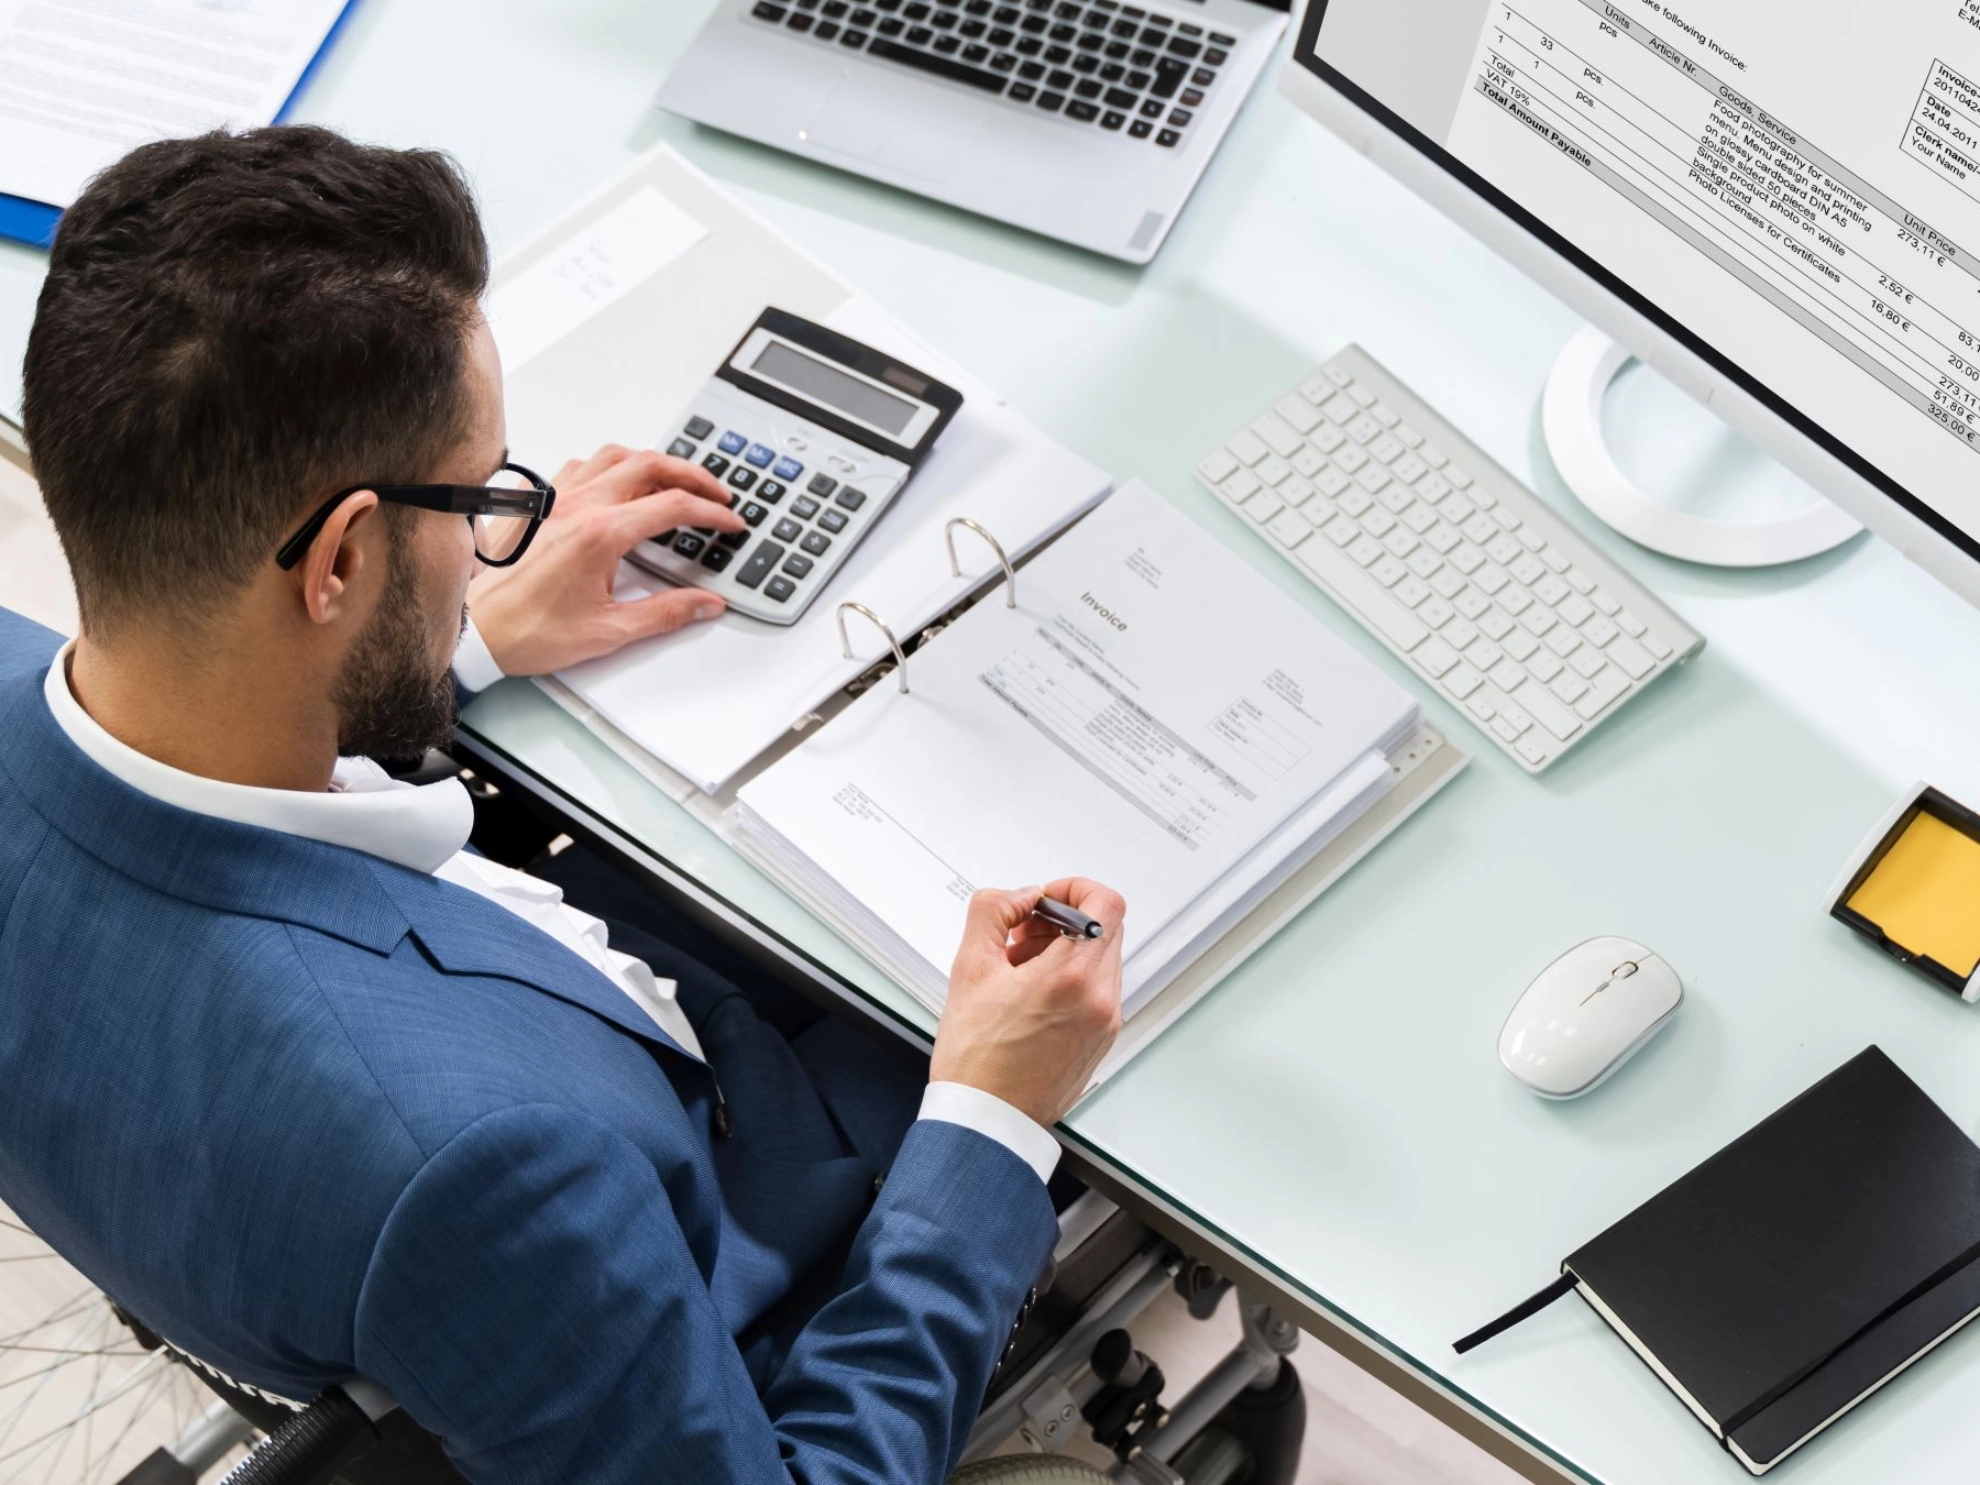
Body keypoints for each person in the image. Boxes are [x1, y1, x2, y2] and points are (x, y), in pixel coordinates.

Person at [0, 125, 1125, 1485]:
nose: (496, 532)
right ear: (341, 558)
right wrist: (993, 1120)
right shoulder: (483, 1172)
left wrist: (443, 650)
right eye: (477, 497)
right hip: (718, 1219)